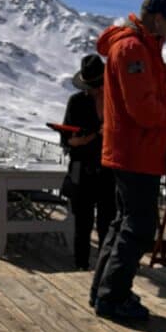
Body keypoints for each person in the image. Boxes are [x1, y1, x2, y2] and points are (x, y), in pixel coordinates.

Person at [90, 0, 166, 321]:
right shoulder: (133, 49)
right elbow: (143, 109)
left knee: (124, 224)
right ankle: (112, 298)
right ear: (157, 19)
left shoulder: (140, 48)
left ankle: (103, 292)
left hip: (135, 151)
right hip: (136, 152)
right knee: (138, 228)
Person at [62, 54, 116, 271]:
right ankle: (81, 265)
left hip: (108, 170)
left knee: (107, 222)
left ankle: (104, 267)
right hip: (83, 169)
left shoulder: (113, 103)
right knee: (82, 223)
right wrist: (92, 136)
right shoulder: (76, 102)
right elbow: (68, 140)